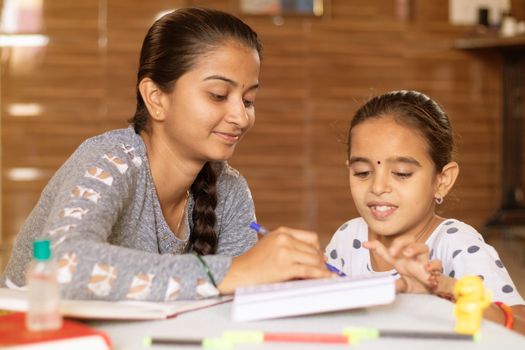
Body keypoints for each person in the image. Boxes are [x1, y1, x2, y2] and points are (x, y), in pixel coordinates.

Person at [1, 7, 331, 301]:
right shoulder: (110, 160)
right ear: (156, 98)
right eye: (218, 95)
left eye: (248, 100)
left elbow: (236, 301)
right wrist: (231, 272)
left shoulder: (230, 190)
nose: (241, 117)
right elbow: (62, 265)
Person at [325, 90, 525, 333]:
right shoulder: (348, 237)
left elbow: (520, 328)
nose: (377, 187)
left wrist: (443, 288)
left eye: (401, 173)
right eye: (362, 173)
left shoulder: (456, 243)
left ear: (442, 180)